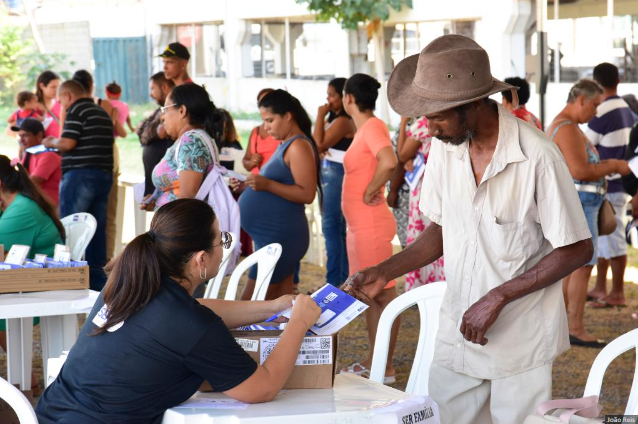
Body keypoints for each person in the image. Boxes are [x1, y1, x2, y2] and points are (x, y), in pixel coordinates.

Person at [344, 35, 595, 424]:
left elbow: (577, 248)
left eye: (438, 116)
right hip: (458, 330)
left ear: (475, 104)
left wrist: (499, 296)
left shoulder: (538, 156)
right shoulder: (446, 146)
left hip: (520, 338)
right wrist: (386, 270)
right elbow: (442, 228)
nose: (430, 128)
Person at [35, 198, 322, 424]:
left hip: (50, 414)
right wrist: (298, 323)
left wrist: (272, 307)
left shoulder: (130, 282)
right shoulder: (191, 324)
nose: (224, 248)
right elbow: (263, 387)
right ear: (201, 259)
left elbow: (196, 311)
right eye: (221, 240)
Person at [547, 78, 631, 347]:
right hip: (583, 202)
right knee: (582, 266)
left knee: (574, 266)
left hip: (582, 202)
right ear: (581, 100)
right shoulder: (567, 128)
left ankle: (567, 325)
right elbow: (580, 171)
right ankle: (574, 327)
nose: (595, 112)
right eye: (594, 105)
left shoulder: (566, 126)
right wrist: (614, 165)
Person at [232, 89, 321, 300]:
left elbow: (307, 194)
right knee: (278, 306)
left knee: (250, 305)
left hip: (280, 236)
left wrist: (266, 184)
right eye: (264, 121)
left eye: (270, 120)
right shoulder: (286, 144)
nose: (265, 127)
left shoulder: (298, 146)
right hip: (275, 237)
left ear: (288, 116)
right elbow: (277, 184)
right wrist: (249, 185)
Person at [339, 73, 399, 384]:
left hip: (370, 225)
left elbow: (389, 160)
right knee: (371, 295)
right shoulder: (365, 128)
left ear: (348, 98)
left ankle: (384, 366)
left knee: (383, 295)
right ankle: (376, 361)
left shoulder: (373, 126)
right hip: (360, 226)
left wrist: (371, 189)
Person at [0, 155, 65, 394]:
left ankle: (23, 379)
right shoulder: (18, 204)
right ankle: (23, 377)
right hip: (27, 281)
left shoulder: (20, 211)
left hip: (38, 285)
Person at [44, 80, 114, 291]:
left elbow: (67, 143)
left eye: (61, 100)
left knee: (70, 228)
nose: (62, 105)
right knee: (95, 231)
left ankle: (68, 282)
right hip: (103, 175)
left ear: (67, 95)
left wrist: (50, 142)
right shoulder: (102, 112)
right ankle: (97, 285)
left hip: (80, 176)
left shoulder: (76, 110)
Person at [585, 63, 638, 308]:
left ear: (596, 83)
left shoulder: (602, 110)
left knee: (612, 238)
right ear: (618, 79)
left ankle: (616, 293)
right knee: (607, 238)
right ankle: (602, 288)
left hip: (610, 182)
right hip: (623, 181)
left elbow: (586, 144)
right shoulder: (626, 107)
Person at [142, 83, 222, 211]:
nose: (163, 116)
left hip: (180, 222)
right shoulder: (192, 139)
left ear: (182, 110)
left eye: (166, 109)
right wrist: (158, 200)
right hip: (173, 219)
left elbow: (187, 198)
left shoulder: (191, 141)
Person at [72, 69, 124, 262]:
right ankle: (105, 262)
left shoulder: (70, 107)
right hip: (106, 158)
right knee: (107, 214)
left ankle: (76, 261)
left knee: (77, 216)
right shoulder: (104, 104)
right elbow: (114, 132)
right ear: (92, 86)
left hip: (80, 161)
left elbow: (64, 137)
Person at [313, 78, 356, 287]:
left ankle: (333, 281)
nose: (328, 99)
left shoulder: (343, 120)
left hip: (336, 174)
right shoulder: (336, 119)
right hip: (332, 172)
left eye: (332, 95)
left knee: (331, 226)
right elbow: (319, 143)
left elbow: (317, 143)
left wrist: (319, 116)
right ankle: (340, 279)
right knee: (336, 229)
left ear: (343, 97)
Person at [398, 116, 445, 291]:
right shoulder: (445, 119)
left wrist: (403, 122)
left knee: (424, 237)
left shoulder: (425, 122)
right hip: (442, 184)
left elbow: (402, 154)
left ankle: (423, 288)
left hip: (425, 187)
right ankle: (439, 286)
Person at [137, 72, 176, 196]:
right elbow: (141, 131)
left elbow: (149, 133)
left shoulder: (172, 111)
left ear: (164, 87)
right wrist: (154, 132)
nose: (151, 94)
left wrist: (151, 132)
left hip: (165, 191)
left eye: (153, 88)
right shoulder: (160, 111)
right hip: (154, 189)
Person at [10, 118, 61, 206]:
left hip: (52, 207)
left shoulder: (49, 155)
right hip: (38, 204)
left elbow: (30, 184)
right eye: (20, 136)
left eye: (25, 136)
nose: (21, 140)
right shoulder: (30, 153)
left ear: (39, 135)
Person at [386, 116, 411, 249]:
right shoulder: (408, 122)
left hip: (407, 190)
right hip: (403, 190)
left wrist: (393, 190)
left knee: (410, 243)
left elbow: (402, 156)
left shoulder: (414, 124)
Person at [242, 88, 280, 174]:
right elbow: (245, 160)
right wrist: (251, 162)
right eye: (262, 103)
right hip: (254, 180)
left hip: (273, 180)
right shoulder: (255, 131)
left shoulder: (282, 131)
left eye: (268, 101)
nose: (265, 106)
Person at [35, 70, 62, 138]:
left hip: (58, 144)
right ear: (42, 86)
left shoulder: (60, 104)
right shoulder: (31, 106)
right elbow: (12, 130)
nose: (57, 90)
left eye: (58, 87)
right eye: (53, 87)